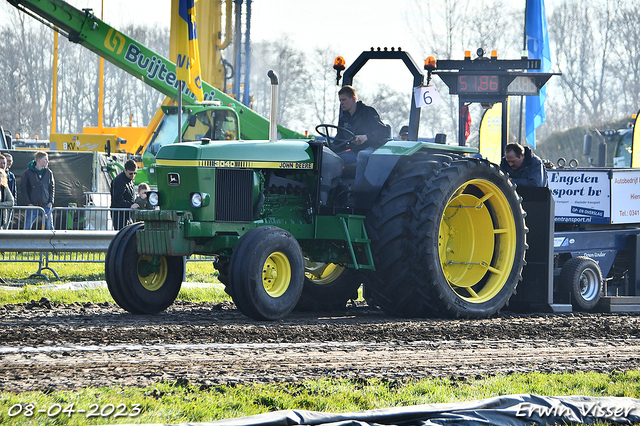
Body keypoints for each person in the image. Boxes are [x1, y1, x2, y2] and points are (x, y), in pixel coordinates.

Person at [335, 85, 389, 191]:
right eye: (340, 100)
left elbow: (384, 131)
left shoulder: (368, 112)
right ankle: (333, 190)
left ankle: (357, 191)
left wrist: (366, 137)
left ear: (353, 99)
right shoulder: (344, 118)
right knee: (333, 158)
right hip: (353, 151)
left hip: (371, 149)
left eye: (344, 100)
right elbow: (339, 139)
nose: (341, 103)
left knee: (362, 156)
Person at [20, 151, 55, 230]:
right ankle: (25, 241)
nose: (47, 161)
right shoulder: (27, 173)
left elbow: (52, 187)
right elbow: (23, 188)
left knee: (50, 227)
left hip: (46, 205)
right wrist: (28, 203)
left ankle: (51, 242)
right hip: (33, 205)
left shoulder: (48, 172)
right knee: (27, 227)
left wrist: (50, 201)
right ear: (38, 160)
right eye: (45, 159)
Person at [110, 159, 139, 230]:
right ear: (125, 170)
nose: (133, 175)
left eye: (135, 173)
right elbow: (117, 199)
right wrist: (130, 205)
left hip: (126, 213)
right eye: (131, 173)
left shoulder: (129, 180)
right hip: (119, 214)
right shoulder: (119, 181)